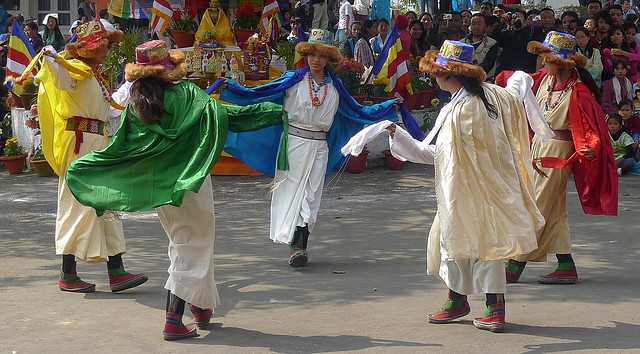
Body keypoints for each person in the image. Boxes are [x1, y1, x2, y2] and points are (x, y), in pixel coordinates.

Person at [64, 40, 286, 341]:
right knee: (192, 245)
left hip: (162, 189)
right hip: (190, 182)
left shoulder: (136, 105)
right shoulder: (189, 95)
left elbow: (120, 148)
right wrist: (274, 110)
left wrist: (95, 176)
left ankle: (201, 305)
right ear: (169, 67)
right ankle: (173, 318)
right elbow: (228, 116)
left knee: (186, 241)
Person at [375, 41, 543, 332]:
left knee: (480, 245)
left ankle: (493, 308)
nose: (434, 78)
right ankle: (458, 300)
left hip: (473, 188)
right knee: (455, 241)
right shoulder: (477, 98)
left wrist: (400, 139)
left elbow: (444, 154)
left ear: (451, 74)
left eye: (437, 72)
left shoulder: (469, 108)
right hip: (472, 187)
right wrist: (399, 136)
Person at [219, 29, 400, 268]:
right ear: (306, 55)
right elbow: (258, 95)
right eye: (312, 54)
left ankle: (301, 243)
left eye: (321, 55)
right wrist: (231, 87)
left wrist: (387, 107)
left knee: (312, 195)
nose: (316, 60)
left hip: (320, 146)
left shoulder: (335, 87)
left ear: (328, 59)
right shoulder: (292, 80)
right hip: (293, 143)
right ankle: (297, 247)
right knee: (294, 192)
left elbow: (358, 112)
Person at [16, 19, 149, 293]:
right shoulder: (74, 71)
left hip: (97, 143)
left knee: (107, 204)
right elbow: (55, 71)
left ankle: (116, 270)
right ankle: (68, 273)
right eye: (104, 46)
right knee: (78, 206)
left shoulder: (92, 76)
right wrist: (51, 54)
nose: (107, 51)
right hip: (78, 145)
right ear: (91, 48)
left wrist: (135, 85)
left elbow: (112, 109)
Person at [500, 31, 618, 285]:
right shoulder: (544, 79)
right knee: (553, 210)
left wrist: (592, 146)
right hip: (537, 148)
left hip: (558, 152)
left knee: (536, 206)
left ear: (561, 62)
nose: (542, 62)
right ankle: (565, 264)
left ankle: (515, 263)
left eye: (546, 57)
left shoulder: (580, 91)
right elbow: (514, 82)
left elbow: (592, 128)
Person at [462, 13, 498, 81]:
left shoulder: (492, 43)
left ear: (485, 26)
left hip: (485, 81)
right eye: (474, 24)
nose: (476, 26)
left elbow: (488, 65)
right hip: (464, 80)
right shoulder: (462, 43)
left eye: (479, 24)